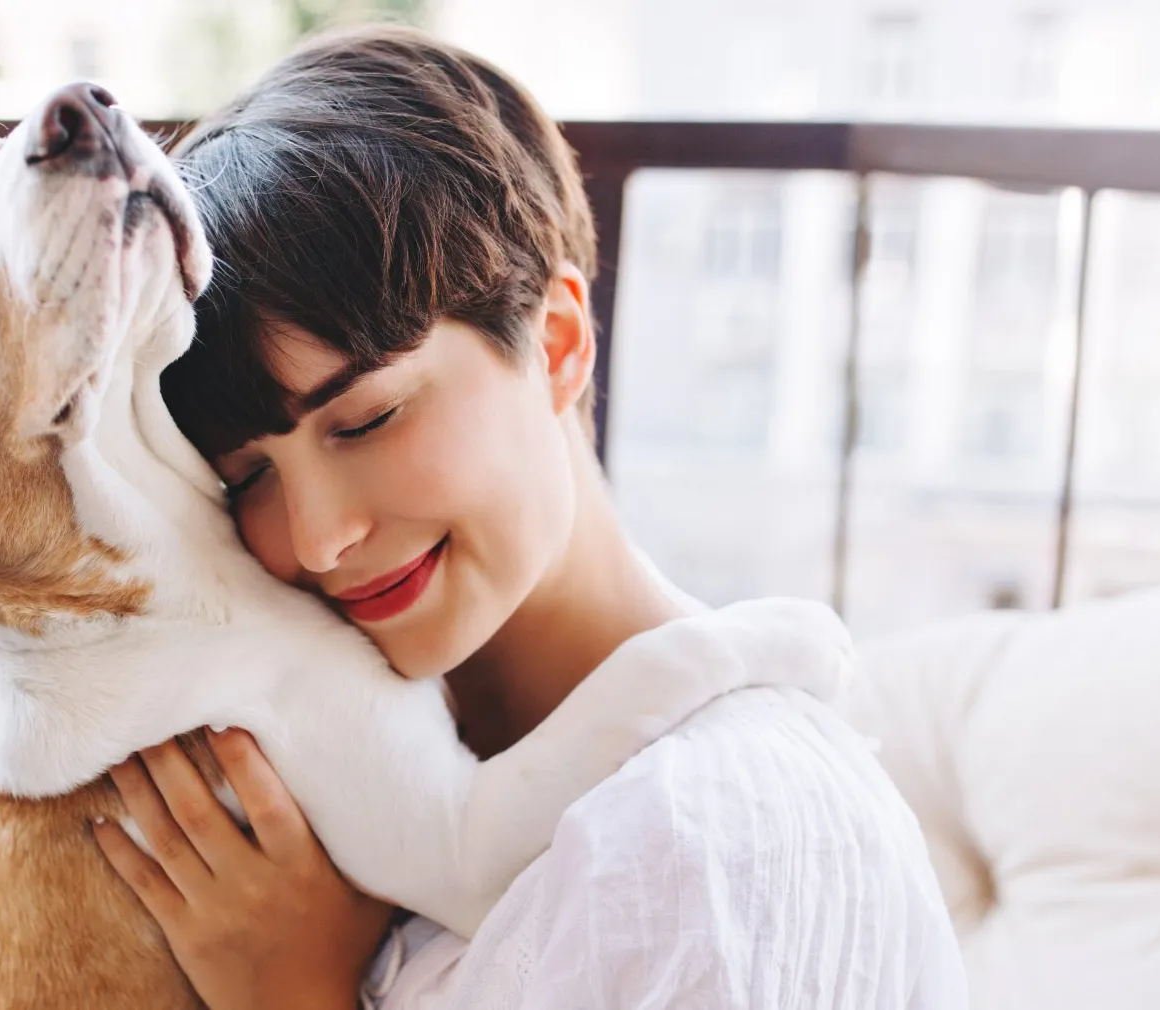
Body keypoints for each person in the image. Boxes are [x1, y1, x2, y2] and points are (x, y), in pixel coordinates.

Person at [89, 25, 967, 1010]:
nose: (320, 534)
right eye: (249, 474)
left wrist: (296, 992)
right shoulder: (317, 794)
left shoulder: (712, 843)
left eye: (367, 418)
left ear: (555, 343)